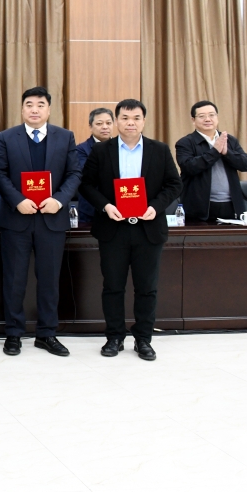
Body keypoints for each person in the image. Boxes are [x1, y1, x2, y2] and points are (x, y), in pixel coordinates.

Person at [79, 99, 182, 360]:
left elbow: (174, 184)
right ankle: (114, 337)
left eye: (136, 118)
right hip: (113, 228)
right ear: (117, 121)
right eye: (124, 118)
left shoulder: (159, 150)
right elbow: (86, 184)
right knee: (113, 286)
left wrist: (156, 207)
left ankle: (143, 339)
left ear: (144, 121)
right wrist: (106, 206)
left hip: (148, 228)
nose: (130, 123)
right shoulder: (101, 151)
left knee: (147, 287)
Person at [0, 87, 82, 357]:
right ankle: (13, 333)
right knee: (14, 280)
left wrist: (60, 199)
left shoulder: (65, 136)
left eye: (40, 104)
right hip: (16, 219)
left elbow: (74, 173)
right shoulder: (6, 137)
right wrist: (17, 200)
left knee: (49, 280)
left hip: (51, 218)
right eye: (29, 104)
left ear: (49, 109)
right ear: (22, 109)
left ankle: (47, 333)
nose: (34, 109)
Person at [175, 101, 247, 222]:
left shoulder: (229, 140)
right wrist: (215, 151)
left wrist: (227, 153)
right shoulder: (185, 143)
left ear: (217, 117)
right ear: (193, 120)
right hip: (199, 208)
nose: (208, 119)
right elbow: (189, 167)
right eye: (202, 116)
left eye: (212, 115)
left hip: (231, 206)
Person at [75, 108, 114, 223]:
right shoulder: (81, 149)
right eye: (99, 123)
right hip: (91, 210)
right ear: (90, 127)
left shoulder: (121, 147)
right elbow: (87, 177)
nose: (105, 127)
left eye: (108, 123)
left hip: (118, 207)